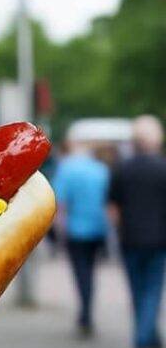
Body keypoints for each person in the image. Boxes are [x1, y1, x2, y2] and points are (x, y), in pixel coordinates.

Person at [108, 115, 166, 348]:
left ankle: (149, 337)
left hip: (130, 240)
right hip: (159, 240)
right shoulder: (164, 168)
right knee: (152, 290)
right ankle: (145, 339)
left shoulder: (122, 168)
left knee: (137, 290)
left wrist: (118, 231)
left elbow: (113, 208)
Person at [53, 141, 109, 336]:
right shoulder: (101, 170)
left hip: (75, 230)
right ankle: (87, 307)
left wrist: (59, 231)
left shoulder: (66, 169)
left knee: (80, 271)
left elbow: (60, 203)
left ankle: (85, 310)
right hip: (97, 228)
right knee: (91, 271)